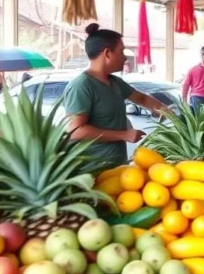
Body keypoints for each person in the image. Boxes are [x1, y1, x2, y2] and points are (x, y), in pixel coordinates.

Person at [64, 24, 166, 167]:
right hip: (92, 169)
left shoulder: (115, 82)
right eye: (121, 51)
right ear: (107, 53)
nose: (125, 58)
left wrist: (166, 111)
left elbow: (141, 98)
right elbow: (76, 131)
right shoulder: (81, 86)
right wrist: (124, 135)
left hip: (116, 166)